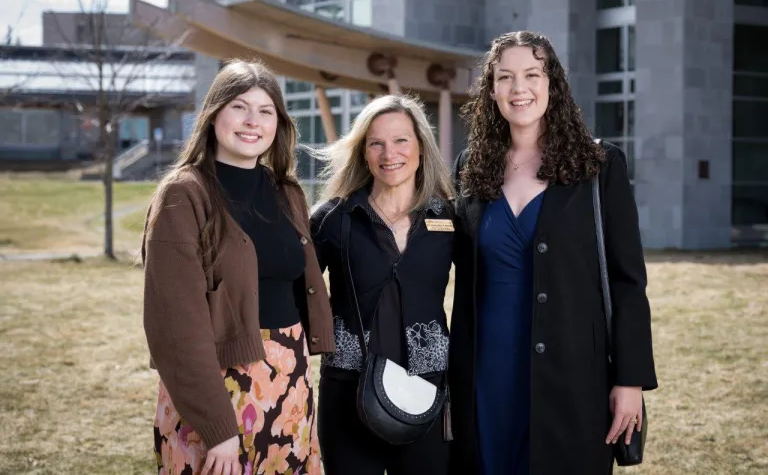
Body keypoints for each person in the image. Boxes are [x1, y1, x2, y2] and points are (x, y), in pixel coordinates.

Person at [449, 31, 658, 474]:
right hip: (486, 373)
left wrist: (630, 379)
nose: (518, 88)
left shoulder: (599, 165)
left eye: (532, 74)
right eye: (505, 77)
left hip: (574, 375)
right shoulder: (470, 167)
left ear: (553, 84)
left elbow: (628, 281)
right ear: (491, 90)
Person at [141, 60, 334, 475]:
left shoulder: (286, 192)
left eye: (265, 111)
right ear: (214, 115)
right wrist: (217, 428)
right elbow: (175, 327)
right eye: (239, 107)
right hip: (215, 394)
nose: (253, 122)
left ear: (278, 124)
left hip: (289, 385)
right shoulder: (183, 196)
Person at [309, 94, 455, 475]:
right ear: (364, 152)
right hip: (348, 395)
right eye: (376, 143)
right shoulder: (333, 219)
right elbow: (294, 290)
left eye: (401, 140)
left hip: (427, 393)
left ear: (421, 147)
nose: (390, 154)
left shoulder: (448, 219)